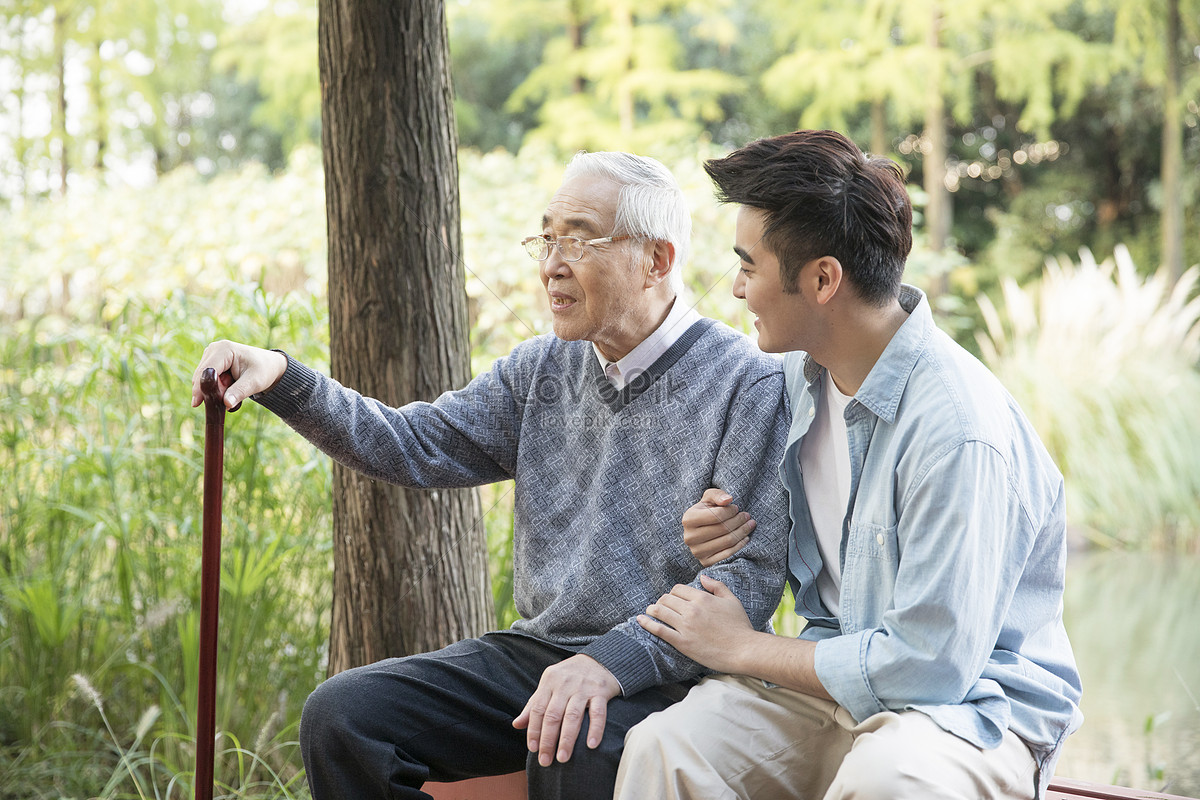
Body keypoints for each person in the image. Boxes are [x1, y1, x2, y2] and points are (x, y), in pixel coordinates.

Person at [189, 151, 791, 800]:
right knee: (343, 718)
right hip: (537, 656)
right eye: (547, 238)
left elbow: (745, 580)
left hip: (669, 670)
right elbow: (412, 442)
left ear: (657, 260)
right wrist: (282, 377)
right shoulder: (540, 370)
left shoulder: (745, 382)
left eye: (579, 239)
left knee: (575, 742)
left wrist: (607, 662)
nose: (551, 264)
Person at [616, 130, 1083, 800]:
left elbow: (930, 666)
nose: (738, 290)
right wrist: (717, 520)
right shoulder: (792, 380)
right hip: (834, 688)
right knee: (669, 746)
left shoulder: (958, 429)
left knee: (886, 778)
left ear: (823, 279)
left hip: (972, 711)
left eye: (748, 268)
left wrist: (742, 648)